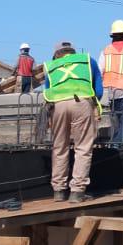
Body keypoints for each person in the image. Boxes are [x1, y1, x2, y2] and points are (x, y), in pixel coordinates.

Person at [43, 41, 102, 202]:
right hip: (81, 102)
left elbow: (47, 90)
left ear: (57, 54)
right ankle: (77, 192)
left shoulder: (52, 66)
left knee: (59, 147)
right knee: (82, 147)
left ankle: (59, 191)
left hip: (58, 105)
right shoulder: (87, 61)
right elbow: (98, 90)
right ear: (73, 52)